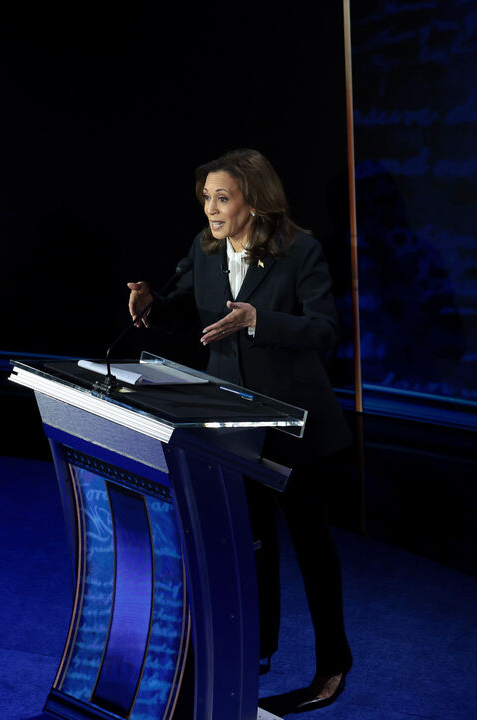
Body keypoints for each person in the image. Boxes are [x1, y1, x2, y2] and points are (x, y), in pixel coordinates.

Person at [127, 149, 352, 715]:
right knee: (250, 544)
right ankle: (258, 648)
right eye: (206, 197)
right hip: (234, 426)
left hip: (296, 427)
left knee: (311, 547)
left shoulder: (300, 251)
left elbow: (326, 331)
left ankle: (333, 665)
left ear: (254, 198)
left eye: (221, 197)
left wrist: (259, 320)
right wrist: (152, 307)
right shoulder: (204, 252)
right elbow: (188, 315)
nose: (210, 208)